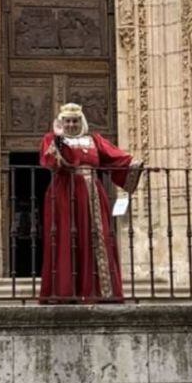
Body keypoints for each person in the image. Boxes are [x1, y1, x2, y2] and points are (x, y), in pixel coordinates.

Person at [39, 103, 141, 303]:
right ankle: (65, 292)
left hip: (93, 193)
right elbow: (50, 161)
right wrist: (59, 139)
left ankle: (101, 292)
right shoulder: (52, 139)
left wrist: (136, 164)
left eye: (75, 121)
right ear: (61, 122)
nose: (71, 124)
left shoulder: (94, 140)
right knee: (65, 237)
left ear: (81, 121)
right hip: (63, 194)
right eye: (67, 121)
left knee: (97, 236)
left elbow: (115, 157)